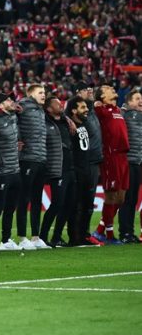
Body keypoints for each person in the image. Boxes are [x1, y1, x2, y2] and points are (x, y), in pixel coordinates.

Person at [92, 85, 130, 244]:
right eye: (107, 88)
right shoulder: (101, 111)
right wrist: (95, 104)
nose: (112, 88)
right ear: (102, 97)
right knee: (111, 195)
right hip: (111, 156)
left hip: (123, 157)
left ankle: (103, 232)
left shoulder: (117, 111)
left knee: (121, 198)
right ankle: (105, 234)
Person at [16, 84, 49, 250]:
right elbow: (11, 119)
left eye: (44, 92)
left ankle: (36, 236)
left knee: (37, 199)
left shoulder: (41, 110)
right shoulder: (23, 105)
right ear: (30, 94)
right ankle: (22, 237)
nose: (44, 95)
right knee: (24, 198)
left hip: (41, 158)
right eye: (40, 92)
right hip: (27, 158)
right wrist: (18, 138)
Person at [0, 93, 22, 251]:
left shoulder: (13, 117)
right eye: (8, 100)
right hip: (2, 170)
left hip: (15, 169)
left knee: (10, 208)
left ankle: (6, 239)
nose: (12, 101)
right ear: (0, 105)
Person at [73, 82, 104, 245]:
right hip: (85, 161)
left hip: (95, 161)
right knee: (82, 201)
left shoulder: (91, 110)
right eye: (86, 89)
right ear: (78, 93)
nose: (90, 91)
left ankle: (83, 234)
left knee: (88, 201)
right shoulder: (75, 113)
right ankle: (78, 235)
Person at [39, 96, 71, 248]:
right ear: (49, 109)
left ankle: (57, 236)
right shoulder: (45, 123)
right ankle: (43, 237)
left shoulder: (66, 120)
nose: (61, 105)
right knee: (57, 204)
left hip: (71, 167)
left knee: (67, 204)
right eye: (57, 104)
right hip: (57, 168)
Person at [66, 96, 95, 246]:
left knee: (87, 206)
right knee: (75, 206)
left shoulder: (83, 125)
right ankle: (74, 238)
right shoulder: (69, 127)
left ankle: (83, 236)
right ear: (73, 110)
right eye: (82, 107)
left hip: (86, 170)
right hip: (76, 170)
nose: (86, 110)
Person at [120, 90, 141, 243]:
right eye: (137, 99)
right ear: (129, 102)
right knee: (128, 199)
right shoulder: (124, 114)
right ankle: (125, 232)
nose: (141, 101)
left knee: (133, 199)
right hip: (129, 162)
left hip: (139, 162)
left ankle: (130, 232)